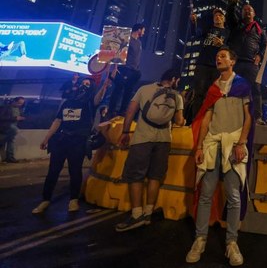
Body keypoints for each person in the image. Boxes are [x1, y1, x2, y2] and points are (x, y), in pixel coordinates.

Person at [187, 47, 252, 266]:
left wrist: (241, 142)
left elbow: (248, 117)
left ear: (233, 61)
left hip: (234, 144)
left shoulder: (242, 84)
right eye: (217, 56)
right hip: (212, 143)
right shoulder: (213, 88)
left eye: (223, 56)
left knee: (233, 196)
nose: (219, 58)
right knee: (206, 193)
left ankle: (232, 243)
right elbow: (207, 117)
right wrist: (199, 147)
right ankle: (200, 239)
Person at [115, 69, 185, 231]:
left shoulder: (144, 89)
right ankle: (148, 213)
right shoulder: (177, 96)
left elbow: (131, 111)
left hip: (142, 139)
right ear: (174, 79)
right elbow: (179, 121)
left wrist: (125, 132)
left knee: (136, 176)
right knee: (155, 176)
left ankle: (136, 214)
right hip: (164, 140)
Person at [32, 78, 105, 213]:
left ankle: (73, 200)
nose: (84, 86)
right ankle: (45, 200)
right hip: (61, 140)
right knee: (53, 171)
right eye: (83, 83)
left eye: (88, 84)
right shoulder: (67, 103)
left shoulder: (90, 103)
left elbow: (99, 96)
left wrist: (106, 82)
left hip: (78, 142)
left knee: (75, 171)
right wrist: (47, 138)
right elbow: (58, 121)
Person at [226, 0, 267, 124]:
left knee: (255, 90)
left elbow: (265, 46)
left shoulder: (260, 31)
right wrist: (233, 3)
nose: (247, 11)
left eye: (250, 10)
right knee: (233, 90)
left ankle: (257, 117)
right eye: (245, 10)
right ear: (242, 13)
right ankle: (232, 117)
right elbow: (229, 14)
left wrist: (259, 55)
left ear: (254, 14)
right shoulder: (236, 25)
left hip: (251, 64)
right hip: (235, 63)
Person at [189, 8, 228, 123]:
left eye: (220, 15)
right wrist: (193, 23)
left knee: (214, 94)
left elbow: (230, 50)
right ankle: (196, 120)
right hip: (202, 64)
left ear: (224, 18)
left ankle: (211, 121)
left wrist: (222, 45)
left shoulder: (227, 32)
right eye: (215, 15)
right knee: (199, 93)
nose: (217, 17)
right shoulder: (208, 29)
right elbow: (195, 34)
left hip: (217, 67)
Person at [108, 23, 145, 117]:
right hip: (124, 68)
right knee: (118, 89)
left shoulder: (139, 42)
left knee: (129, 91)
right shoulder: (126, 39)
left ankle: (122, 110)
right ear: (139, 30)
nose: (144, 33)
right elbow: (117, 52)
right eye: (143, 30)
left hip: (134, 71)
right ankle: (111, 111)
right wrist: (115, 68)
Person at [0, 97, 26, 163]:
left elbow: (20, 117)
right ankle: (10, 157)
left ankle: (10, 158)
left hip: (14, 126)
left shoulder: (19, 109)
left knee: (11, 141)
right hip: (6, 126)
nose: (20, 105)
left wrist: (22, 118)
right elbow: (1, 117)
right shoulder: (6, 107)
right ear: (14, 101)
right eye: (19, 103)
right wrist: (14, 118)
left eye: (21, 104)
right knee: (13, 134)